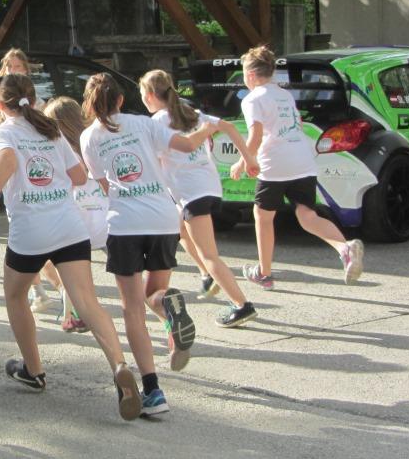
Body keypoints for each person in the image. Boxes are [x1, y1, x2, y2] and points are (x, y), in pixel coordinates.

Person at [0, 73, 142, 421]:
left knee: (15, 296)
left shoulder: (2, 133)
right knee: (88, 303)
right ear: (33, 99)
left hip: (31, 231)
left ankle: (34, 370)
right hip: (69, 228)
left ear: (0, 105)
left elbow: (8, 162)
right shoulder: (51, 130)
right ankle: (119, 365)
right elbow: (79, 177)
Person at [80, 73, 216, 415]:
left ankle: (153, 390)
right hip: (163, 218)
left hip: (125, 223)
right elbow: (186, 146)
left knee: (132, 308)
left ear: (90, 104)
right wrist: (210, 128)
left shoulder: (89, 137)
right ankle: (168, 309)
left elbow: (104, 184)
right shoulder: (145, 123)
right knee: (156, 292)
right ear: (121, 100)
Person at [231, 46, 365, 288]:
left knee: (262, 216)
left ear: (250, 74)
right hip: (303, 161)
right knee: (307, 215)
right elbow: (297, 125)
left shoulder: (253, 99)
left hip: (275, 163)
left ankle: (264, 273)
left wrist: (243, 161)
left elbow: (256, 135)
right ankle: (344, 248)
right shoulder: (285, 95)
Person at [140, 70, 259, 327]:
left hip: (191, 192)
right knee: (180, 230)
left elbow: (155, 159)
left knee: (210, 254)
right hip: (208, 187)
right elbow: (227, 126)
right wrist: (248, 158)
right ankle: (206, 275)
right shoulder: (188, 111)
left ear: (149, 95)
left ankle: (242, 304)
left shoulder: (157, 122)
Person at [41, 96, 108, 333]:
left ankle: (75, 312)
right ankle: (160, 302)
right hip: (107, 217)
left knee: (57, 264)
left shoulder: (60, 151)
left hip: (78, 221)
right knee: (129, 278)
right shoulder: (94, 141)